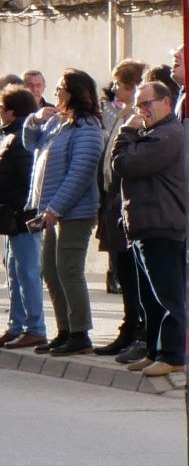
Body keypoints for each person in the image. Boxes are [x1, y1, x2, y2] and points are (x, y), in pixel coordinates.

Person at [113, 76, 186, 377]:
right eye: (138, 105)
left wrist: (127, 130)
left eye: (146, 103)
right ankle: (155, 351)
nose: (141, 110)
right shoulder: (153, 133)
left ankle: (174, 354)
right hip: (146, 226)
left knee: (169, 297)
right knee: (150, 299)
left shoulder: (168, 134)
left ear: (166, 102)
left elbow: (124, 164)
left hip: (162, 225)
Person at [29, 70, 105, 355]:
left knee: (69, 269)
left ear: (75, 92)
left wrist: (56, 208)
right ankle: (64, 329)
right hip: (54, 212)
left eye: (61, 87)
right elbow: (31, 143)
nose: (56, 92)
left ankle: (79, 332)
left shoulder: (87, 127)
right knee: (50, 269)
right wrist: (35, 120)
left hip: (75, 212)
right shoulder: (58, 122)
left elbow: (80, 173)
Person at [94, 58, 147, 353]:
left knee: (132, 271)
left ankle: (137, 329)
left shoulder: (136, 119)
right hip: (113, 200)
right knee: (124, 271)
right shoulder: (122, 115)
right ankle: (129, 327)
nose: (114, 89)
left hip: (124, 200)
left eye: (119, 84)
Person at [0, 87, 43, 349]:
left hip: (23, 218)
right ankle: (16, 326)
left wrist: (20, 210)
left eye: (3, 107)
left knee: (27, 273)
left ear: (12, 110)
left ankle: (35, 327)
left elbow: (31, 182)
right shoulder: (10, 136)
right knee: (15, 275)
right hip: (12, 219)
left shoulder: (21, 141)